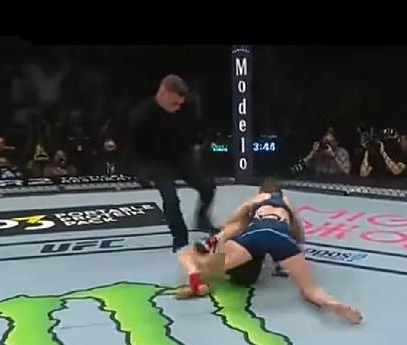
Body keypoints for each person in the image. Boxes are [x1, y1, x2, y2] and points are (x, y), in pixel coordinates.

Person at [175, 178, 363, 325]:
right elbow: (300, 235)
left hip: (257, 233)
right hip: (281, 235)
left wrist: (228, 231)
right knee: (310, 290)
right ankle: (333, 303)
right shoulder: (287, 203)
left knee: (200, 264)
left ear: (262, 191)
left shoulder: (258, 198)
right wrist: (288, 255)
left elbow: (231, 221)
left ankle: (197, 280)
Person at [127, 74, 216, 251]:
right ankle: (180, 238)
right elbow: (135, 146)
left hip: (180, 155)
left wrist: (197, 142)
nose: (177, 107)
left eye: (180, 104)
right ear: (163, 93)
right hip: (155, 160)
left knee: (207, 187)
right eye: (174, 103)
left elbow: (195, 129)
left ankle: (201, 217)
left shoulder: (186, 108)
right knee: (170, 199)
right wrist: (142, 171)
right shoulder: (142, 114)